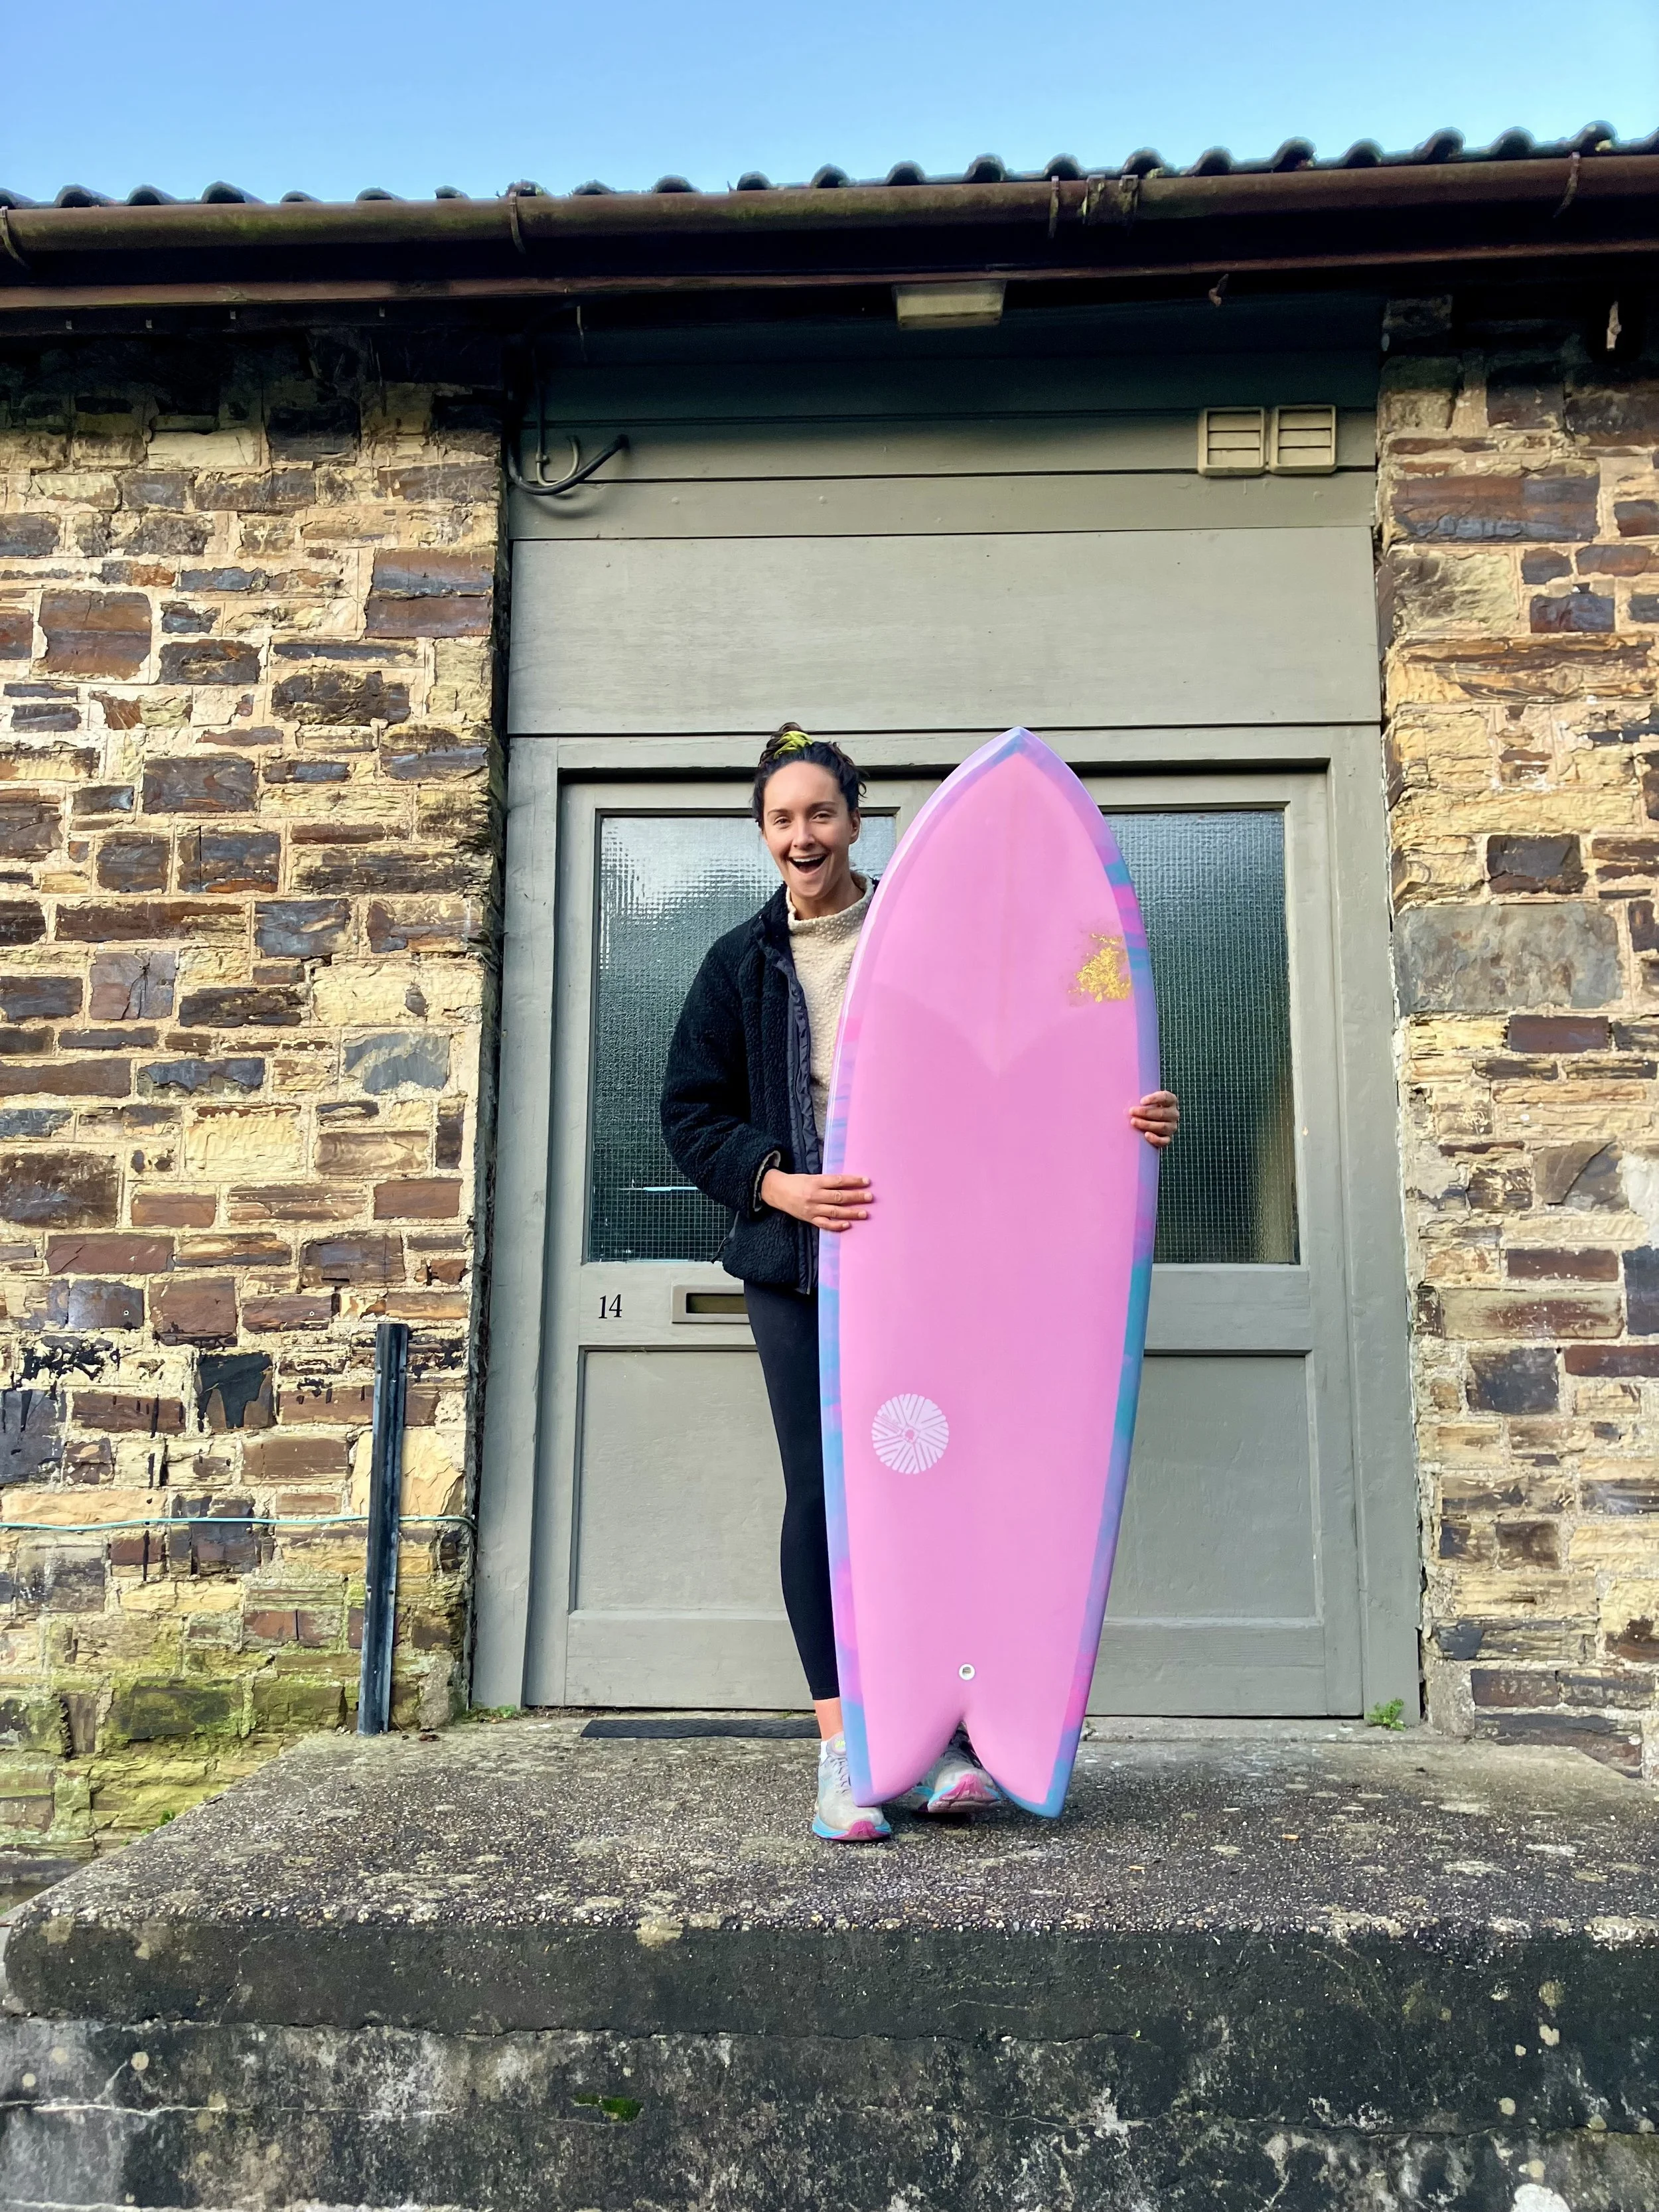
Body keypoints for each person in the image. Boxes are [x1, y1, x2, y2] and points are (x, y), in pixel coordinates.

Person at [662, 726, 1179, 1842]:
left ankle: (943, 1739)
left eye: (820, 815)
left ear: (855, 820)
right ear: (765, 836)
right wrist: (777, 1185)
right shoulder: (738, 964)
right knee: (826, 1496)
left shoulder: (927, 934)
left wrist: (1125, 1115)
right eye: (781, 820)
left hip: (943, 1272)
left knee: (941, 1491)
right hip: (801, 1268)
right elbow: (688, 1117)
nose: (802, 837)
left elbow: (1027, 1065)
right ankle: (847, 1750)